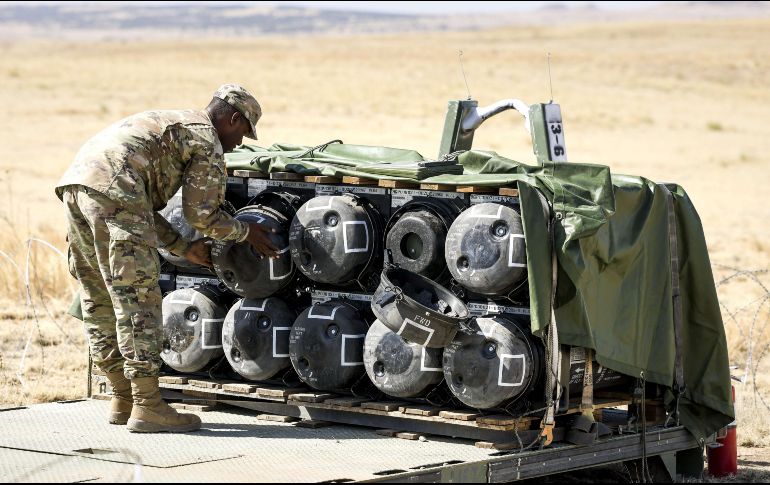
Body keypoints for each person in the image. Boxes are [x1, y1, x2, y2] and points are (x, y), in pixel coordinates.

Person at [56, 84, 278, 433]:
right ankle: (147, 406)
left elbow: (136, 204)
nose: (239, 143)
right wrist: (246, 232)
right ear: (233, 119)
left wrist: (182, 248)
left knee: (97, 298)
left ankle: (122, 398)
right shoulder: (206, 140)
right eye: (243, 133)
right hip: (115, 192)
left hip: (77, 185)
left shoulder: (174, 121)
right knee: (138, 302)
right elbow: (201, 216)